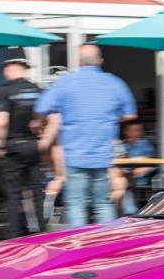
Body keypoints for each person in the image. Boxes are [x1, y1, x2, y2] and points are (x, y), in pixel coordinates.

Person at [35, 44, 137, 227]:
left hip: (74, 155)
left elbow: (42, 107)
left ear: (79, 62)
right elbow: (130, 114)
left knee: (75, 205)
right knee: (103, 203)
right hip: (102, 155)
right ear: (100, 61)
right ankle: (106, 243)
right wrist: (109, 119)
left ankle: (79, 246)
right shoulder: (114, 82)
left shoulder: (65, 82)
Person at [0, 47, 45, 239]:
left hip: (13, 145)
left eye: (6, 67)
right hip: (32, 145)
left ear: (12, 67)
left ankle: (14, 235)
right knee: (37, 192)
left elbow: (0, 121)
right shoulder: (38, 90)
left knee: (13, 194)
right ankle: (40, 231)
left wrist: (0, 143)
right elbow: (44, 118)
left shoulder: (5, 90)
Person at [116, 120, 156, 215]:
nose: (134, 132)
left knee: (123, 183)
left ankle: (129, 212)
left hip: (140, 178)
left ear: (141, 132)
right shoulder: (122, 145)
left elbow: (151, 164)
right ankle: (126, 211)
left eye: (137, 130)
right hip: (126, 178)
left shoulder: (145, 145)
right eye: (131, 130)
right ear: (125, 131)